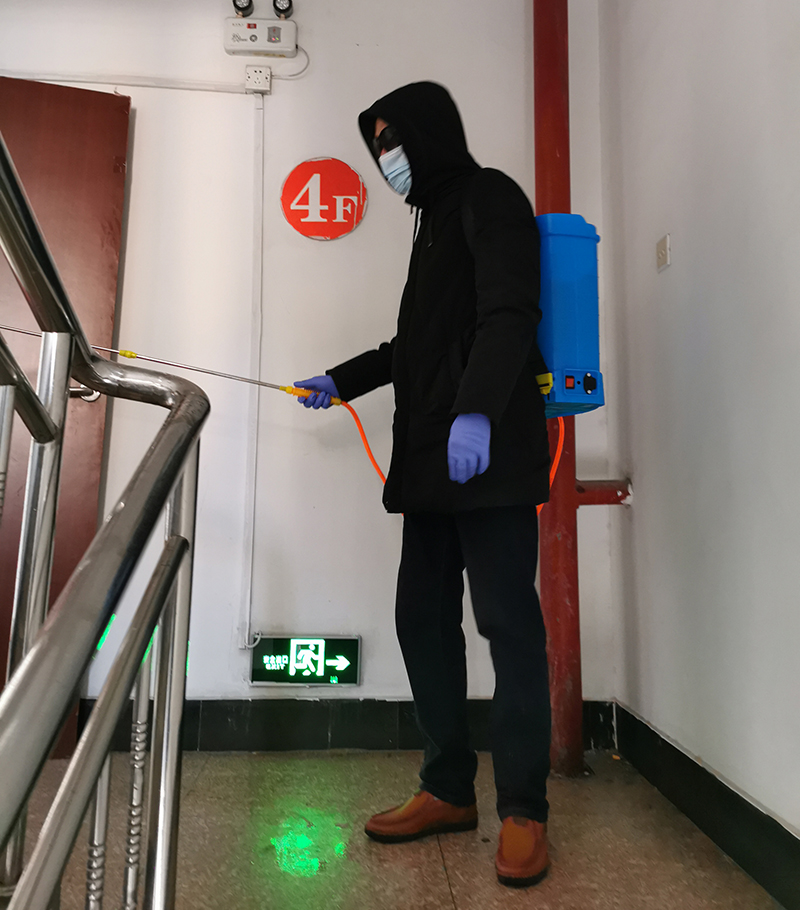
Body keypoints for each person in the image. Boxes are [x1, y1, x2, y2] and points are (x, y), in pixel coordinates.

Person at [296, 81, 552, 888]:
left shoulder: (489, 197)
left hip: (489, 458)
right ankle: (448, 789)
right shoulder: (430, 223)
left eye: (393, 140)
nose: (386, 158)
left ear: (430, 133)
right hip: (431, 466)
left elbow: (510, 313)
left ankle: (524, 809)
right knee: (422, 620)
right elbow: (413, 347)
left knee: (508, 626)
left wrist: (476, 413)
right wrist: (341, 380)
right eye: (377, 145)